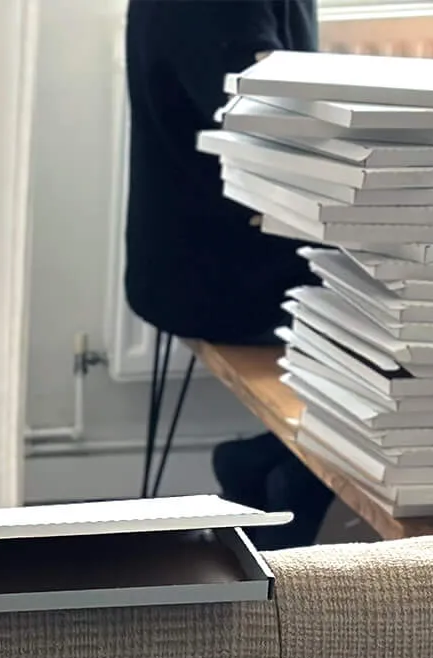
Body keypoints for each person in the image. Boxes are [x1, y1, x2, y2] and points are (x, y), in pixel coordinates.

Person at [125, 0, 334, 548]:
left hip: (199, 256)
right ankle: (290, 503)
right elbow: (271, 122)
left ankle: (264, 465)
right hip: (230, 274)